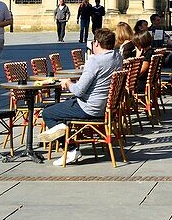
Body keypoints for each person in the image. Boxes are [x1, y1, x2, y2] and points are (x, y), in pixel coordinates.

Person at [37, 27, 122, 164]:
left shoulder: (95, 62)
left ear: (96, 43)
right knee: (59, 108)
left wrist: (68, 82)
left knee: (48, 113)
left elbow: (78, 91)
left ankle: (71, 149)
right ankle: (62, 129)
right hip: (106, 107)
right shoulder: (117, 58)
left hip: (89, 108)